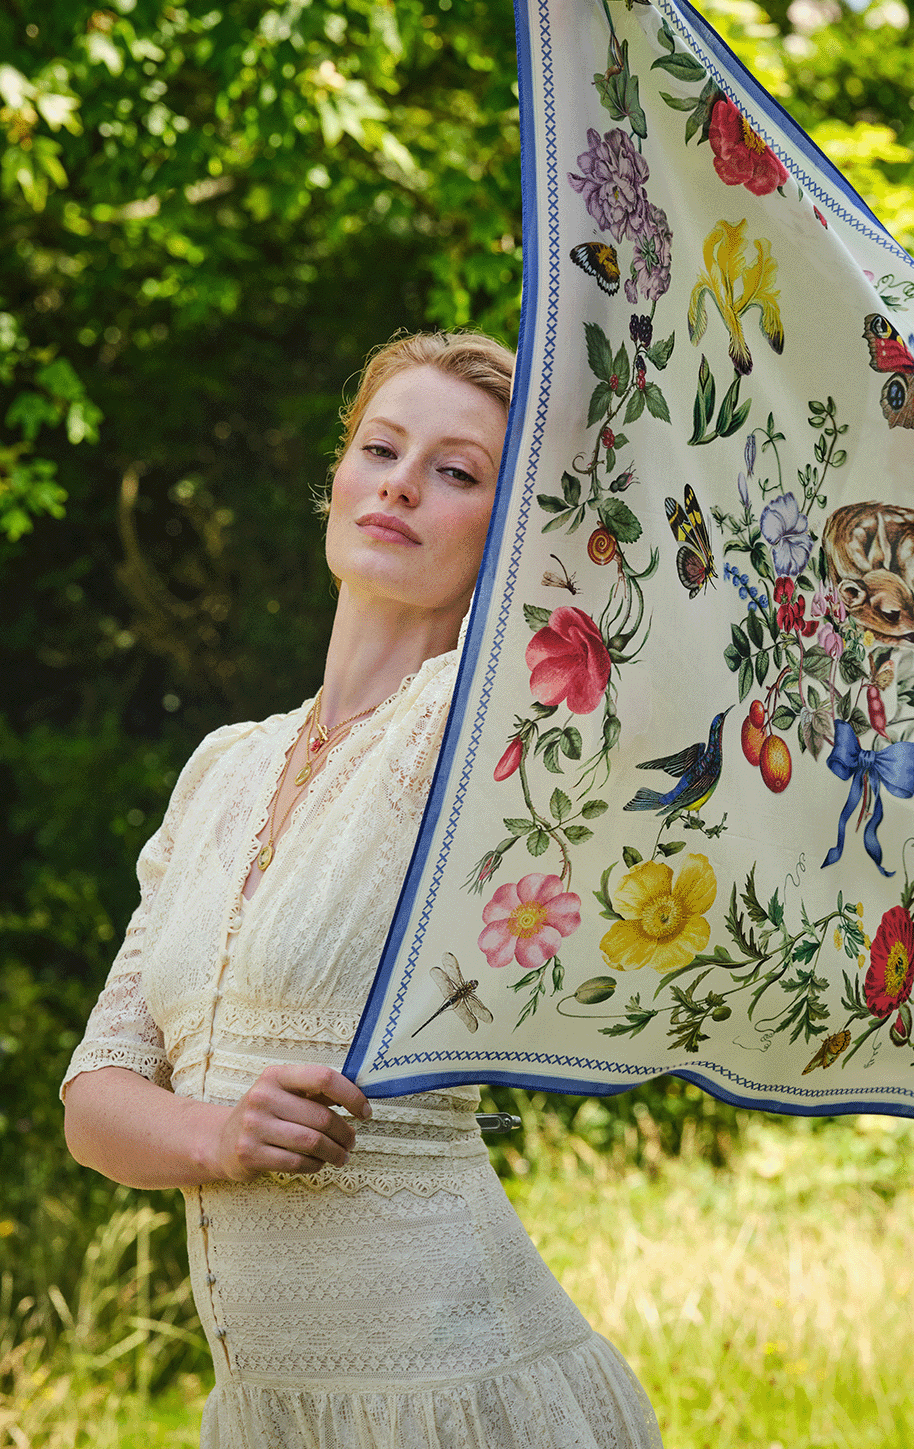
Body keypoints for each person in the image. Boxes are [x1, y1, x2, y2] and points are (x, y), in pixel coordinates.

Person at [61, 330, 662, 1449]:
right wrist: (219, 1137)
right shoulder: (224, 767)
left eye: (458, 472)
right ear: (337, 477)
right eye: (381, 449)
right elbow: (95, 1099)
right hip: (269, 1418)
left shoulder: (483, 725)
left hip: (459, 1402)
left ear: (514, 525)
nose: (401, 484)